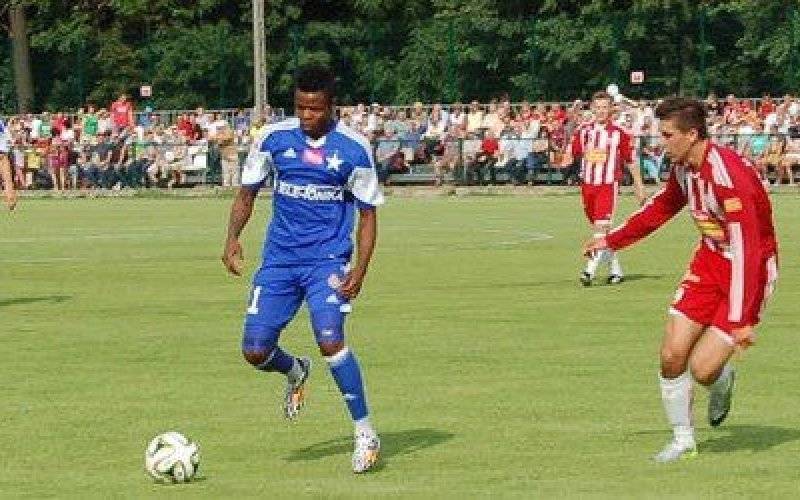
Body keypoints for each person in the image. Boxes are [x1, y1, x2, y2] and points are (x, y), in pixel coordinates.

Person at [584, 97, 779, 463]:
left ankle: (720, 378)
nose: (662, 142)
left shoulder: (729, 176)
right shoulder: (682, 169)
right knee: (672, 354)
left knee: (703, 370)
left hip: (748, 271)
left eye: (668, 135)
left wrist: (741, 319)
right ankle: (683, 440)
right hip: (709, 263)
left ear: (692, 134)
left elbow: (748, 249)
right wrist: (611, 240)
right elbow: (660, 208)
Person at [221, 64, 384, 474]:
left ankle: (365, 432)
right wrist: (232, 238)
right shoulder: (273, 138)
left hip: (327, 260)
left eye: (315, 108)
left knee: (330, 338)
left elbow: (368, 216)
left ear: (331, 106)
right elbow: (247, 193)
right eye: (300, 108)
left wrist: (360, 270)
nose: (307, 115)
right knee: (255, 351)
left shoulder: (354, 148)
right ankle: (295, 370)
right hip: (279, 259)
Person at [563, 90, 646, 286]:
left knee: (601, 229)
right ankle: (616, 271)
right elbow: (573, 153)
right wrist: (565, 155)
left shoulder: (619, 133)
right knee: (602, 233)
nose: (601, 111)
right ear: (592, 109)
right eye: (598, 107)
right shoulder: (584, 131)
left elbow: (631, 161)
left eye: (605, 107)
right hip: (587, 186)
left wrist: (639, 186)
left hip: (607, 186)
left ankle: (588, 271)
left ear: (611, 109)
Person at [1, 119, 18, 210]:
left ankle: (11, 201)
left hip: (3, 154)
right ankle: (11, 201)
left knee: (7, 179)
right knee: (7, 179)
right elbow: (10, 141)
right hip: (3, 154)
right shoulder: (3, 125)